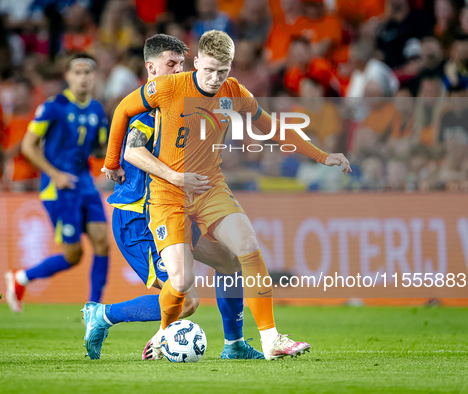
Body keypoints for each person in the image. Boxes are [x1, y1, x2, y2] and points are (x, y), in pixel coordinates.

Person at [104, 30, 351, 361]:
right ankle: (164, 332)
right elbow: (122, 109)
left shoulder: (234, 92)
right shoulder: (168, 87)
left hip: (208, 187)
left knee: (246, 246)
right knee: (181, 282)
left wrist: (323, 156)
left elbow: (273, 128)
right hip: (168, 194)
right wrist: (110, 163)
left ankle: (270, 339)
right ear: (196, 63)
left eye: (223, 71)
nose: (214, 78)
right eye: (208, 70)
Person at [82, 34, 263, 361]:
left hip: (176, 211)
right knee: (188, 299)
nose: (179, 70)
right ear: (151, 68)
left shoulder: (186, 100)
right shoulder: (147, 113)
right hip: (139, 218)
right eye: (171, 64)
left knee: (230, 261)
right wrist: (116, 164)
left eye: (181, 64)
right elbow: (133, 149)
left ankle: (234, 345)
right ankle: (103, 315)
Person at [4, 53, 110, 312]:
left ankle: (94, 309)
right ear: (68, 76)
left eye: (88, 73)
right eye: (78, 72)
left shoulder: (97, 110)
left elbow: (98, 149)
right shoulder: (54, 106)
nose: (83, 78)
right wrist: (55, 173)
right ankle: (21, 278)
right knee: (73, 256)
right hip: (59, 188)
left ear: (94, 77)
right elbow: (29, 146)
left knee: (103, 243)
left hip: (85, 184)